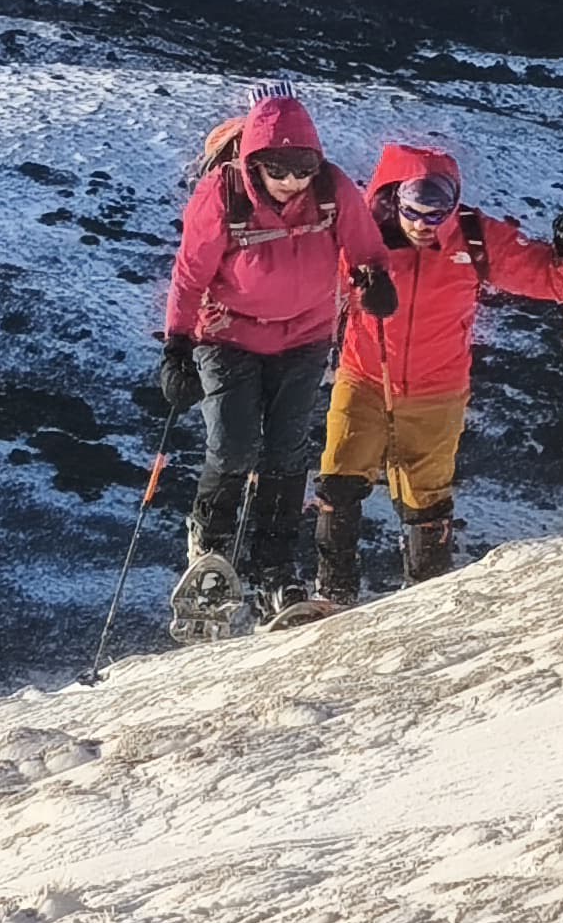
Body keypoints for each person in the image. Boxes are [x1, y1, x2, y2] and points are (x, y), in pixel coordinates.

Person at [298, 141, 563, 614]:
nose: (422, 224)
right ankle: (334, 595)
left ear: (454, 205)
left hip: (438, 389)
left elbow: (558, 285)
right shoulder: (360, 233)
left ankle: (424, 599)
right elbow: (303, 273)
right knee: (339, 480)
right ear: (394, 198)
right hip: (366, 376)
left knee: (426, 497)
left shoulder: (474, 238)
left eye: (438, 214)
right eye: (414, 211)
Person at [158, 86, 389, 640]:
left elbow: (365, 248)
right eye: (279, 169)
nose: (293, 181)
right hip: (227, 335)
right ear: (254, 162)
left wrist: (375, 280)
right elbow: (190, 275)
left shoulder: (333, 190)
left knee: (288, 452)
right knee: (235, 445)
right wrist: (178, 345)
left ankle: (275, 571)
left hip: (304, 335)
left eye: (304, 167)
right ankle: (211, 547)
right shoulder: (223, 196)